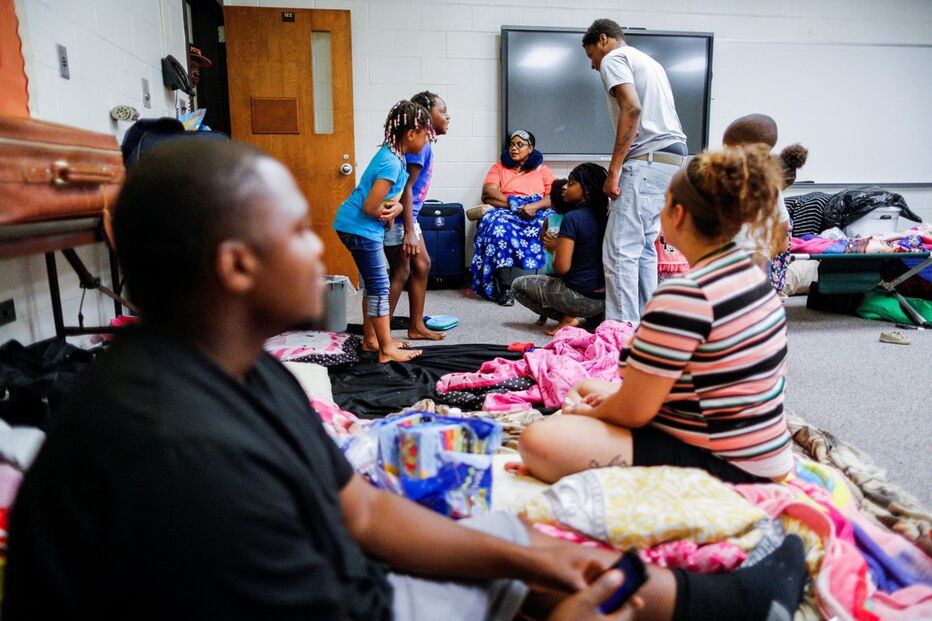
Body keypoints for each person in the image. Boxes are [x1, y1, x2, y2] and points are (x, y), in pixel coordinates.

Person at [2, 140, 807, 621]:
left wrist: (529, 564)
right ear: (235, 266)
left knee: (524, 538)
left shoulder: (240, 369)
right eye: (296, 232)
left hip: (344, 577)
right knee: (603, 602)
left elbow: (359, 506)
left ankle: (686, 598)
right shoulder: (181, 463)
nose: (321, 252)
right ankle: (715, 607)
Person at [511, 145, 794, 488]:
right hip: (764, 453)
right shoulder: (752, 280)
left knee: (538, 439)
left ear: (677, 214)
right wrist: (608, 403)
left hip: (725, 465)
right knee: (585, 386)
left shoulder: (684, 294)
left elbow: (634, 413)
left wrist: (593, 414)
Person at [582, 19, 688, 324]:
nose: (593, 66)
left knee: (618, 252)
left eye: (591, 56)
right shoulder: (650, 62)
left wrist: (614, 169)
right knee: (642, 249)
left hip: (646, 161)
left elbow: (632, 108)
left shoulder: (614, 58)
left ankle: (621, 336)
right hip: (671, 161)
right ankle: (646, 330)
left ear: (603, 40)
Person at [334, 100, 429, 363]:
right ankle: (386, 349)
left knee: (375, 285)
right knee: (379, 285)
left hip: (359, 227)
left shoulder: (393, 155)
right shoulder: (391, 162)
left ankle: (372, 340)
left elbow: (380, 202)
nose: (426, 142)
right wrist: (396, 209)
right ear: (411, 134)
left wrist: (393, 208)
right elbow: (370, 206)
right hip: (359, 228)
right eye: (425, 136)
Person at [513, 163, 609, 335]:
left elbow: (561, 268)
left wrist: (555, 248)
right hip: (605, 298)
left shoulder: (572, 218)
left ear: (586, 189)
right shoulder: (606, 214)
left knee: (517, 286)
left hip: (577, 297)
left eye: (571, 183)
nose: (564, 187)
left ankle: (568, 317)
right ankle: (594, 318)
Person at [385, 91, 451, 341]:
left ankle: (415, 326)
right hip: (402, 219)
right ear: (425, 116)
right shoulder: (418, 146)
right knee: (400, 272)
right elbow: (406, 188)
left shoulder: (425, 144)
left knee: (421, 265)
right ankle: (380, 334)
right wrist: (410, 231)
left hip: (409, 217)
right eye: (442, 111)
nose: (447, 116)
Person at [470, 130, 555, 306]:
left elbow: (552, 197)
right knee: (498, 227)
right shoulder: (499, 168)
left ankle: (547, 286)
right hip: (507, 210)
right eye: (511, 144)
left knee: (553, 223)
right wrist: (517, 205)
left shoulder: (543, 170)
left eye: (519, 144)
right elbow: (489, 193)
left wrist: (533, 206)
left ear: (531, 148)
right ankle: (504, 288)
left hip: (536, 209)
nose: (514, 148)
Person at [722, 114, 793, 291]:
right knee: (754, 309)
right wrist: (770, 251)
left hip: (727, 260)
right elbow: (783, 225)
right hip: (759, 260)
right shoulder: (770, 185)